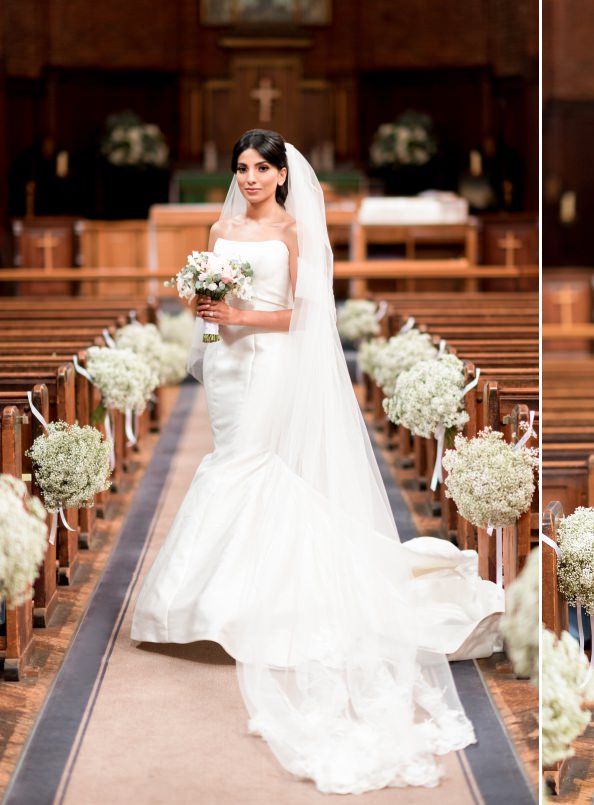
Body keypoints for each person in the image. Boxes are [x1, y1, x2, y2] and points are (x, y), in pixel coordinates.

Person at [131, 130, 503, 794]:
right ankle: (214, 602)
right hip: (227, 366)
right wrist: (211, 319)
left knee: (245, 465)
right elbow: (210, 313)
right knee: (231, 459)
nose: (248, 178)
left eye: (260, 168)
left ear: (281, 175)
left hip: (271, 363)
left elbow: (304, 318)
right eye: (241, 167)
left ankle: (241, 604)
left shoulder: (295, 230)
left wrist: (239, 314)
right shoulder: (220, 224)